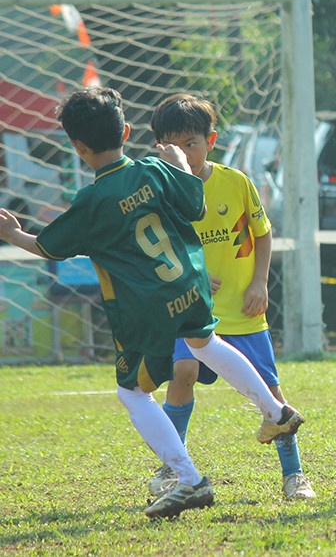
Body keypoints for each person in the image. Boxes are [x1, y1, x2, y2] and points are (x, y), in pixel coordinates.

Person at [0, 87, 303, 519]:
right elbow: (196, 204)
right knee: (203, 344)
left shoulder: (91, 202)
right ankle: (276, 411)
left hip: (148, 310)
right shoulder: (154, 170)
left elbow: (50, 247)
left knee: (133, 393)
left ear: (78, 146)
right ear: (125, 131)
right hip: (192, 289)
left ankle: (188, 479)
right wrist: (179, 165)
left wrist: (13, 234)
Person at [149, 93, 314, 501]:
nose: (185, 153)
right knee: (182, 374)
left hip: (242, 312)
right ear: (160, 149)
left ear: (211, 140)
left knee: (272, 395)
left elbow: (262, 233)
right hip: (188, 311)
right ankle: (172, 468)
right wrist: (192, 279)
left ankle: (294, 476)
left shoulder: (236, 182)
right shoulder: (158, 192)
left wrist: (260, 282)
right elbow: (158, 252)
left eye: (192, 143)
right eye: (175, 146)